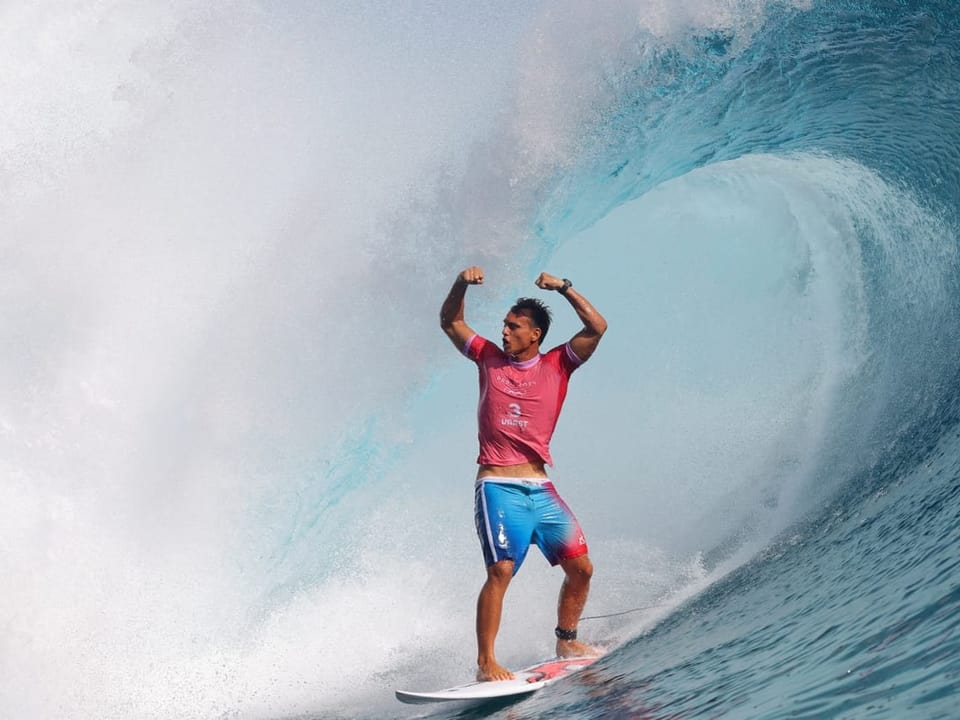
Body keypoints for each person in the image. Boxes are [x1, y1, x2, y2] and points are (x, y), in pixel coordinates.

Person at [440, 265, 608, 682]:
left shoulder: (558, 365)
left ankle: (567, 639)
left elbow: (597, 326)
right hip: (497, 485)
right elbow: (451, 321)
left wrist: (565, 287)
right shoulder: (487, 357)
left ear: (534, 334)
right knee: (500, 571)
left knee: (581, 568)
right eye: (504, 324)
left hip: (540, 486)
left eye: (514, 327)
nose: (504, 331)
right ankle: (486, 663)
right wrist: (461, 283)